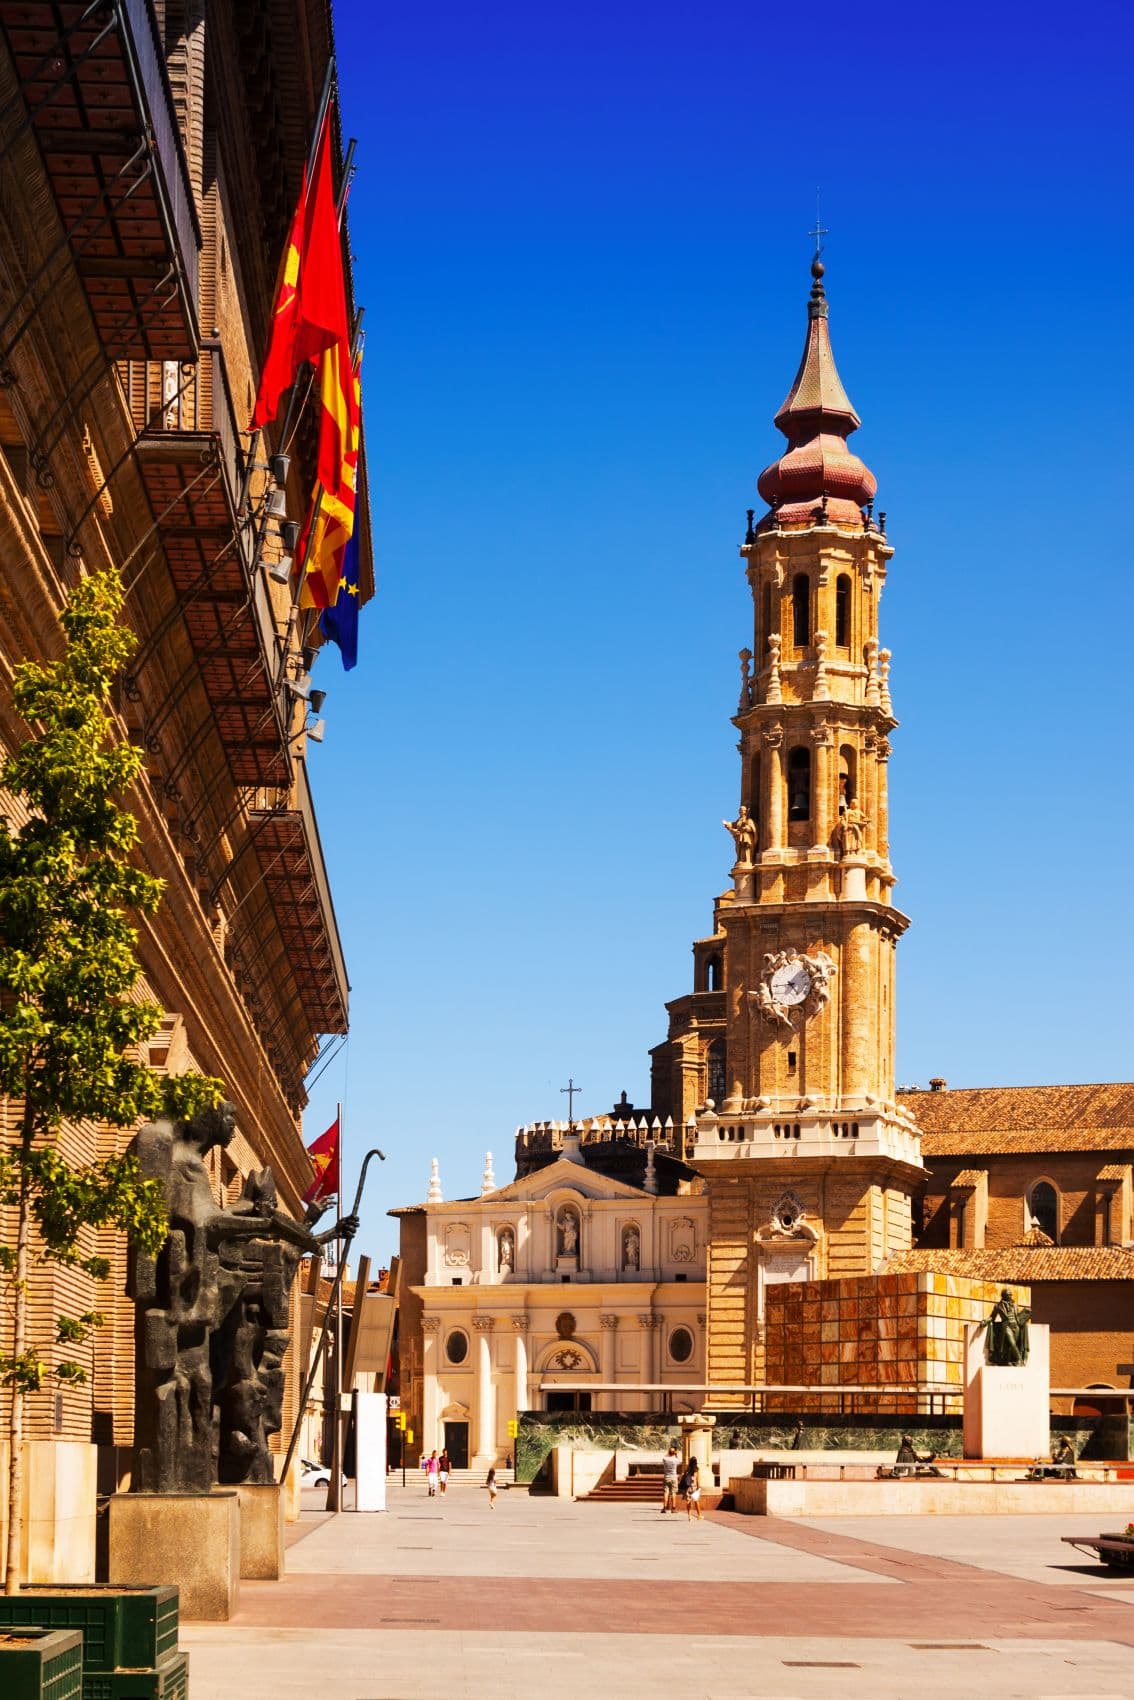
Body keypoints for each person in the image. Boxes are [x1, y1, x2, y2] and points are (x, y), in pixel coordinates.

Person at [680, 1455, 702, 1521]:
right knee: (696, 1501)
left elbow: (682, 1477)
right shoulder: (697, 1469)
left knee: (688, 1501)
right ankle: (699, 1515)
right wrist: (699, 1487)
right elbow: (698, 1479)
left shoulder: (687, 1469)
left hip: (687, 1487)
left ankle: (689, 1516)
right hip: (694, 1487)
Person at [661, 1444, 680, 1514]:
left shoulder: (665, 1459)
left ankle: (664, 1508)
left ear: (668, 1452)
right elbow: (678, 1460)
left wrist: (669, 1452)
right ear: (674, 1453)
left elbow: (665, 1456)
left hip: (666, 1477)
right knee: (673, 1493)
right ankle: (673, 1508)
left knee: (666, 1493)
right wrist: (675, 1453)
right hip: (674, 1477)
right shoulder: (676, 1460)